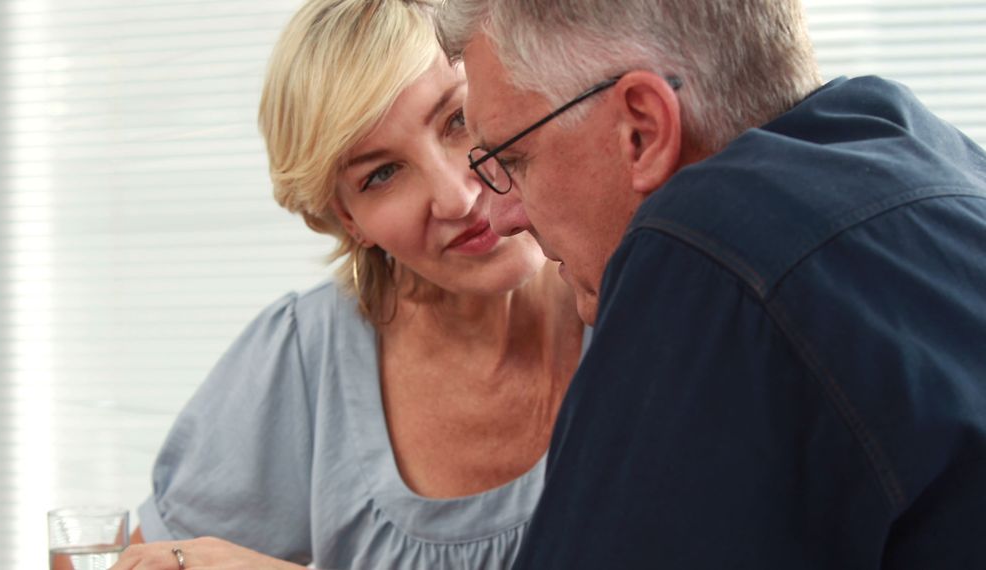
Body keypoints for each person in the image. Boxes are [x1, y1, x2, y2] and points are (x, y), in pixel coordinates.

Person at [437, 0, 986, 568]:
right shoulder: (934, 160)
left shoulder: (705, 256)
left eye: (515, 159)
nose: (504, 219)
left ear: (642, 130)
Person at [111, 0, 585, 569]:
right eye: (381, 174)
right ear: (348, 218)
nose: (456, 198)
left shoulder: (657, 306)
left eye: (457, 120)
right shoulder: (305, 357)